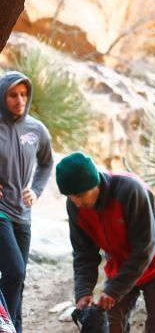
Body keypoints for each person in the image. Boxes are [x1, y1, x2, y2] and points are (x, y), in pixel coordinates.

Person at [56, 152, 155, 333]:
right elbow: (84, 254)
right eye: (71, 197)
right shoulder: (75, 205)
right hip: (121, 264)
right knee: (111, 326)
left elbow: (145, 248)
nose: (77, 203)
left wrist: (114, 290)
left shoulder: (130, 191)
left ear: (95, 182)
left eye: (80, 195)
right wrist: (83, 292)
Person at [0, 71, 53, 332]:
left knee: (18, 280)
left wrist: (37, 190)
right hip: (0, 213)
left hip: (24, 215)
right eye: (13, 95)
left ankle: (14, 327)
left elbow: (47, 163)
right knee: (14, 272)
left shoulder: (37, 129)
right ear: (3, 96)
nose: (19, 100)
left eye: (23, 94)